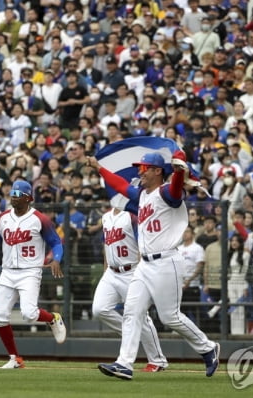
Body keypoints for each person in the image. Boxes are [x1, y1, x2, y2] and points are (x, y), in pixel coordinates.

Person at [88, 152, 219, 380]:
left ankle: (207, 347)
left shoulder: (166, 192)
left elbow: (176, 187)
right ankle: (124, 364)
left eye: (144, 168)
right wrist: (99, 168)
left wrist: (179, 165)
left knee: (170, 317)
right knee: (132, 311)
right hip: (145, 265)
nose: (140, 171)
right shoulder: (142, 195)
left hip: (167, 261)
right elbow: (119, 184)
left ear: (158, 171)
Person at [0, 180, 66, 369]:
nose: (14, 198)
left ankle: (53, 318)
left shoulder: (39, 219)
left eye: (18, 195)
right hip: (7, 271)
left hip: (30, 271)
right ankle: (15, 358)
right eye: (12, 195)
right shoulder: (3, 218)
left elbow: (56, 242)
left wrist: (56, 259)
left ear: (28, 198)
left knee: (29, 313)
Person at [91, 199, 168, 372]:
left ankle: (158, 360)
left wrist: (143, 271)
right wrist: (105, 270)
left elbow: (142, 244)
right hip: (111, 271)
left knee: (140, 316)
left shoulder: (132, 215)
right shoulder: (105, 217)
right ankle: (130, 333)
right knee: (99, 309)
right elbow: (107, 245)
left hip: (131, 270)